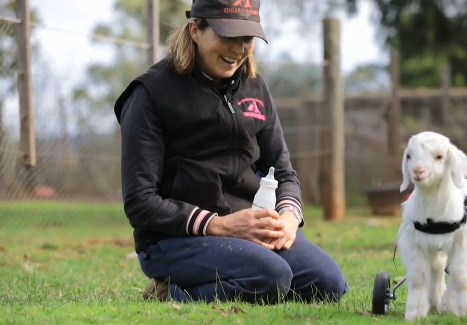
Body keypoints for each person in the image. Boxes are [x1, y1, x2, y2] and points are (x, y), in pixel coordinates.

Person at [113, 0, 348, 305]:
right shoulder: (149, 95)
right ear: (196, 30)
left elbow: (284, 172)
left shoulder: (256, 89)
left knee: (328, 284)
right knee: (272, 277)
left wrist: (289, 218)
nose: (238, 49)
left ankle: (244, 282)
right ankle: (170, 290)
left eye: (247, 38)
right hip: (174, 239)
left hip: (250, 231)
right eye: (228, 35)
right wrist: (220, 225)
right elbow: (140, 202)